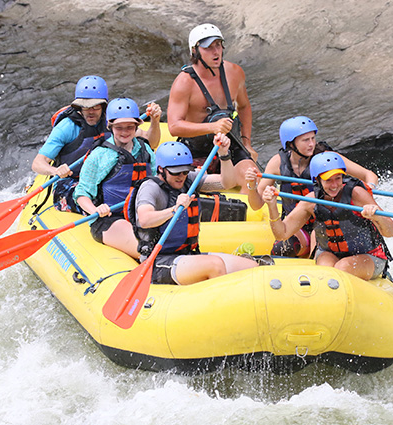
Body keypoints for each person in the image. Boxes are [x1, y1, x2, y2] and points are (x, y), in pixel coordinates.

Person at [244, 116, 379, 258]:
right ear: (290, 143)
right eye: (305, 140)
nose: (311, 144)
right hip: (295, 223)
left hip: (325, 220)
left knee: (318, 242)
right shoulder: (277, 163)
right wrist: (252, 185)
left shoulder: (327, 159)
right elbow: (256, 205)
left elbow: (369, 175)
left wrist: (368, 194)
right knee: (284, 248)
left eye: (313, 138)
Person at [130, 137, 259, 285]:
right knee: (215, 265)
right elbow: (145, 219)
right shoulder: (150, 188)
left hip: (188, 255)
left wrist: (224, 155)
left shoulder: (189, 180)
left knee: (251, 267)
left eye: (185, 171)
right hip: (159, 261)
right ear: (161, 169)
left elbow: (227, 183)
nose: (181, 177)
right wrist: (174, 210)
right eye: (176, 172)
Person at [32, 75, 161, 211]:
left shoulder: (114, 122)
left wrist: (155, 121)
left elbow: (151, 143)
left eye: (96, 106)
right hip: (72, 180)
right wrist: (55, 170)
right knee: (98, 200)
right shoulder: (67, 127)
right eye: (86, 107)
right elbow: (38, 163)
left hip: (102, 177)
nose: (91, 112)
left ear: (104, 106)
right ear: (79, 107)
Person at [262, 151, 393, 281]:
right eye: (328, 180)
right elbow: (282, 233)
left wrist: (376, 216)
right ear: (318, 180)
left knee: (343, 267)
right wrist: (272, 206)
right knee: (326, 271)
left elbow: (391, 231)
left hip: (369, 255)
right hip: (330, 253)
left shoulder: (357, 194)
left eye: (338, 178)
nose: (334, 185)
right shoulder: (311, 201)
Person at [167, 23, 257, 192]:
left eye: (218, 45)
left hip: (231, 145)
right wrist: (212, 127)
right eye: (208, 48)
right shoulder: (184, 83)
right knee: (191, 186)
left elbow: (244, 107)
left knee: (252, 177)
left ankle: (251, 213)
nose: (216, 52)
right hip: (197, 151)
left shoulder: (235, 72)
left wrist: (247, 143)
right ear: (195, 51)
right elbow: (174, 126)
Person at [72, 97, 157, 259]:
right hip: (109, 219)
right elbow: (81, 193)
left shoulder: (145, 150)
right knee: (147, 249)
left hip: (140, 214)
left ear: (137, 126)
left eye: (129, 127)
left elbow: (155, 184)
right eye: (119, 128)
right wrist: (95, 210)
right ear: (110, 126)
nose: (124, 132)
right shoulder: (99, 155)